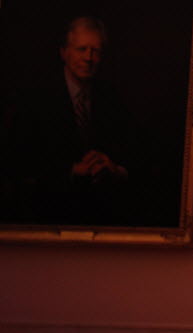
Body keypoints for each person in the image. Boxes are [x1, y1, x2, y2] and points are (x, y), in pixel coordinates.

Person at [6, 16, 141, 225]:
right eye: (81, 49)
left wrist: (115, 169)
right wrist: (72, 170)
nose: (89, 57)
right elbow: (19, 164)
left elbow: (133, 152)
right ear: (64, 52)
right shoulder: (36, 99)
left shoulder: (111, 98)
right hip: (48, 215)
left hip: (102, 215)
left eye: (96, 51)